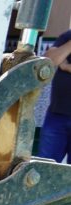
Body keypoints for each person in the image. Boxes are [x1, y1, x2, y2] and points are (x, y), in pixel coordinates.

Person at [38, 31, 71, 163]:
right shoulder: (67, 36)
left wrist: (66, 66)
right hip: (56, 116)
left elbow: (61, 63)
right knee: (44, 167)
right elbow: (49, 60)